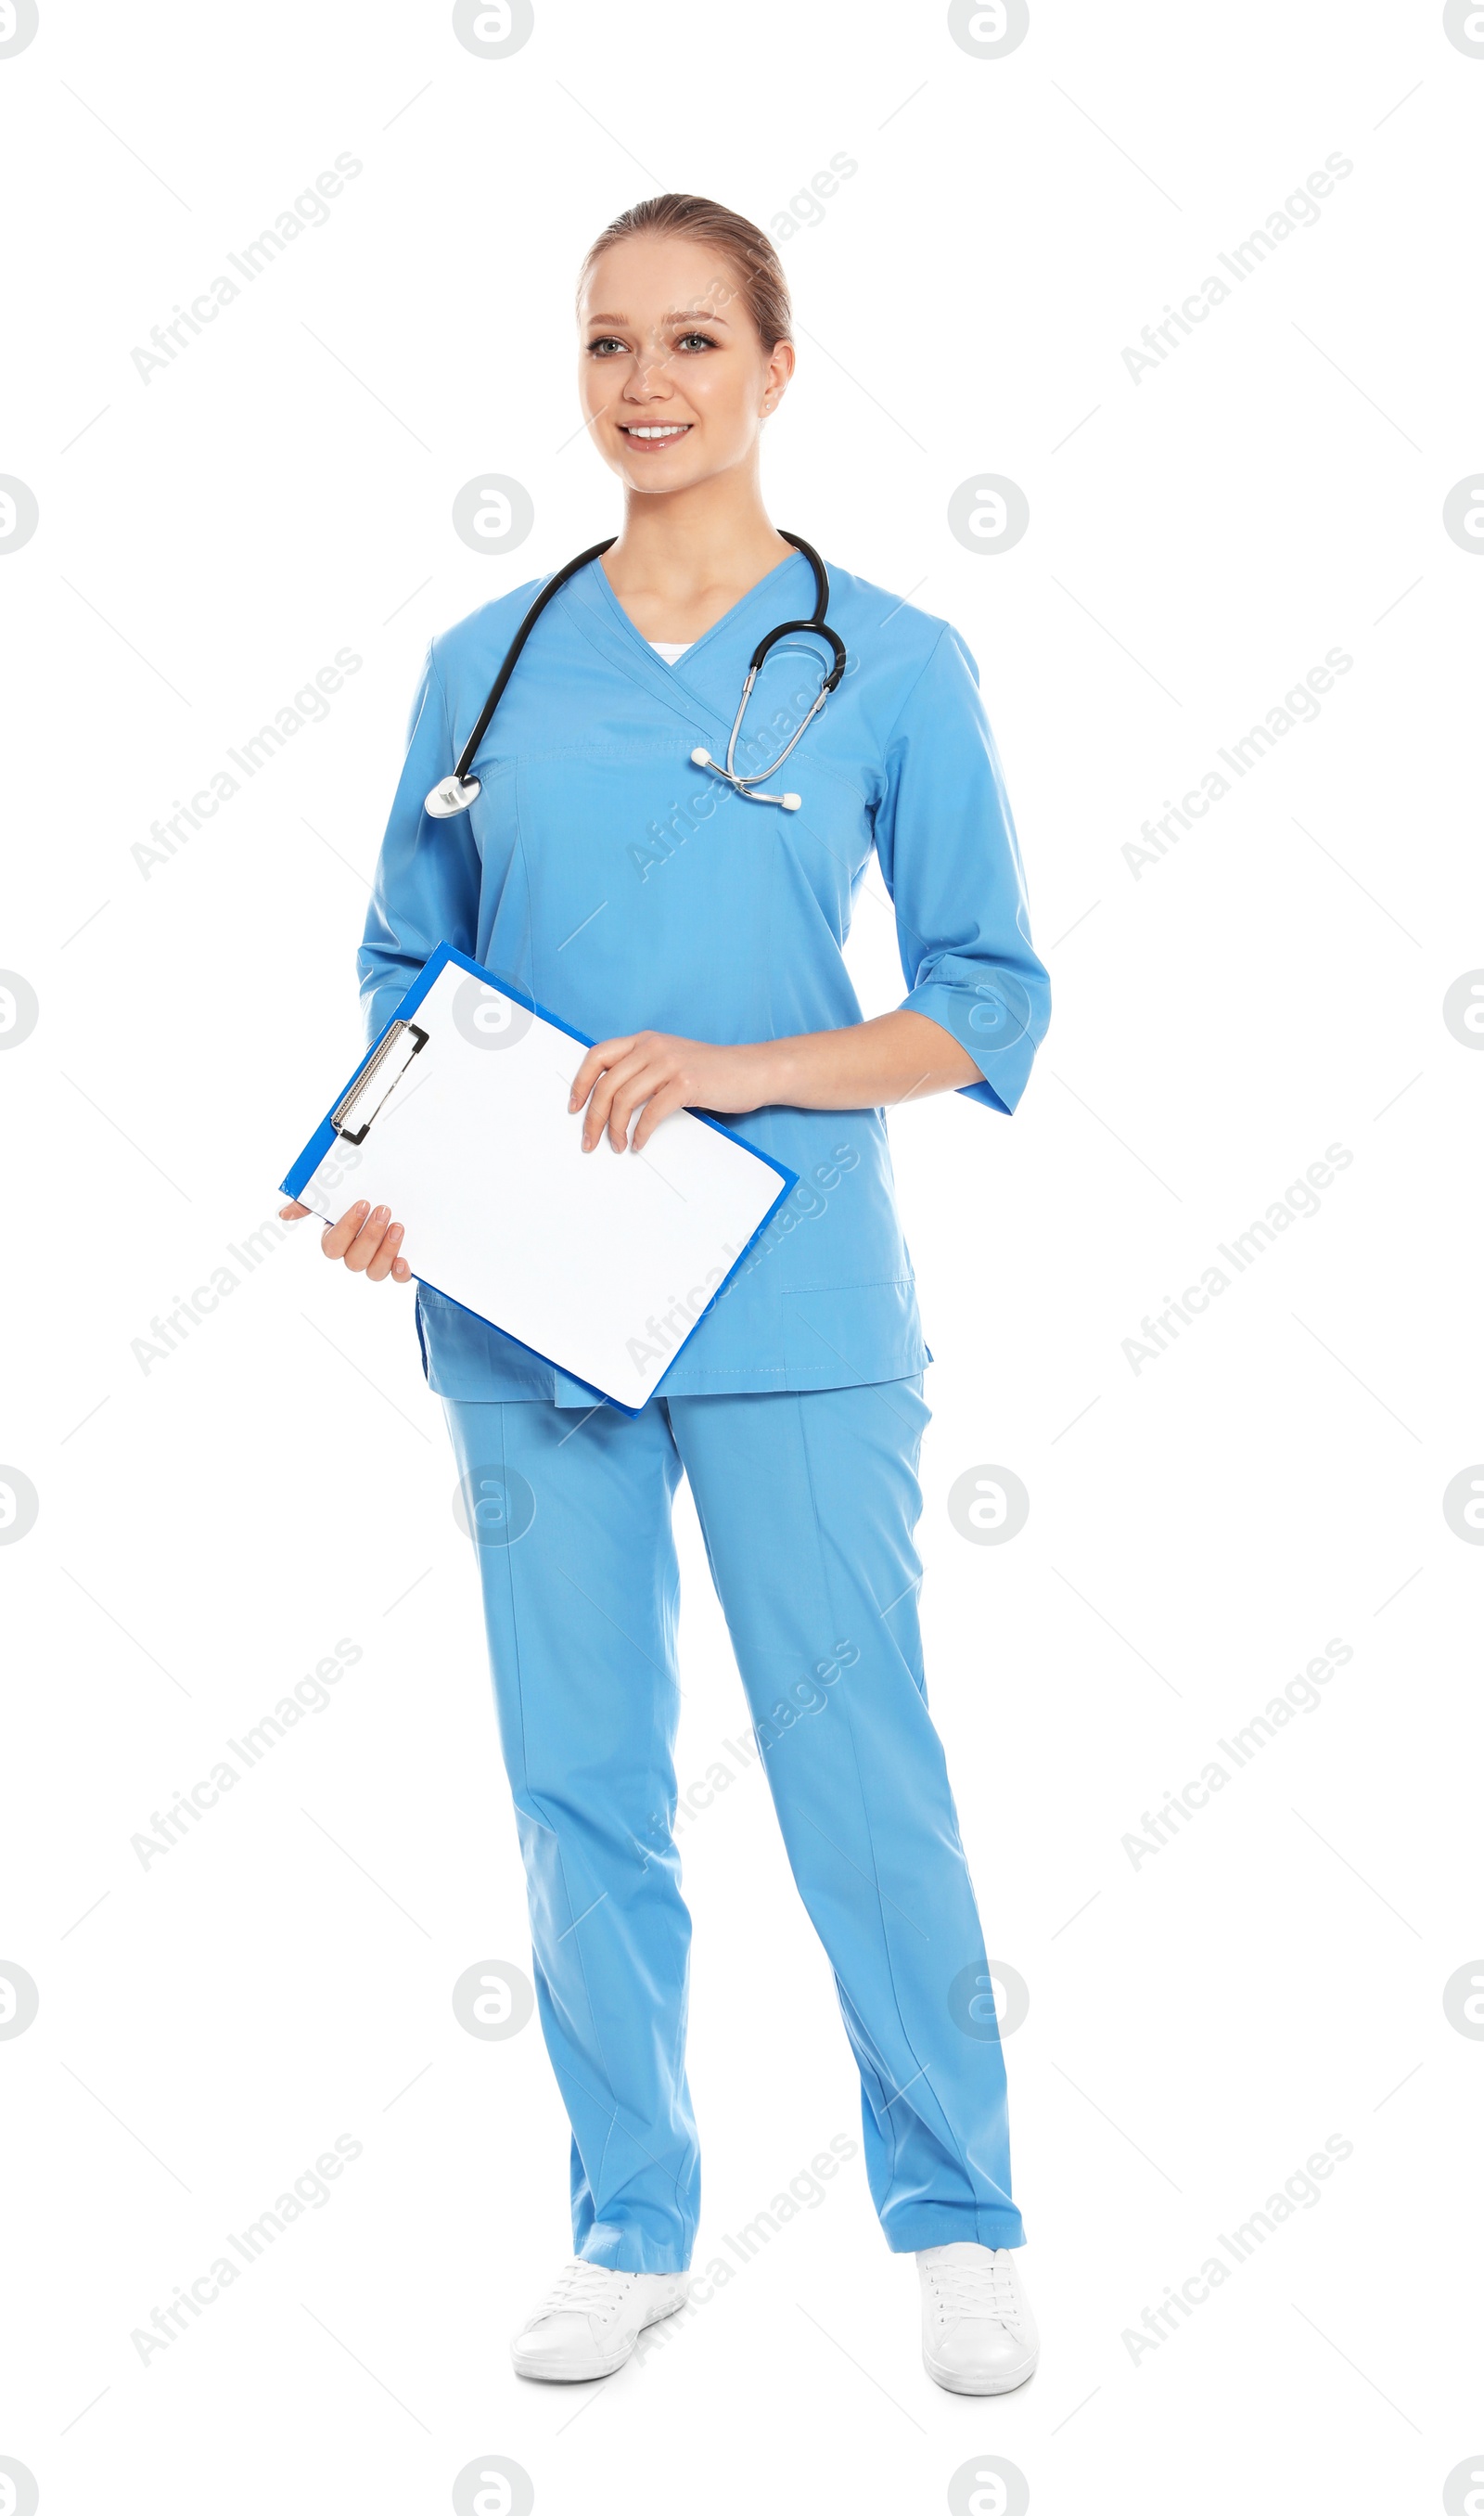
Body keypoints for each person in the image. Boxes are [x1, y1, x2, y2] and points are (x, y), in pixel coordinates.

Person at [279, 193, 1050, 2397]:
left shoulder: (887, 661)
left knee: (857, 1767)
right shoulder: (487, 663)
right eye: (609, 343)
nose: (645, 385)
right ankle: (628, 2221)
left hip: (793, 1298)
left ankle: (957, 2213)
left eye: (694, 342)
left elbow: (988, 996)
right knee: (577, 1779)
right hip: (529, 1310)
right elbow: (398, 976)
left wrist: (740, 1073)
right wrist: (387, 1174)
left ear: (775, 371)